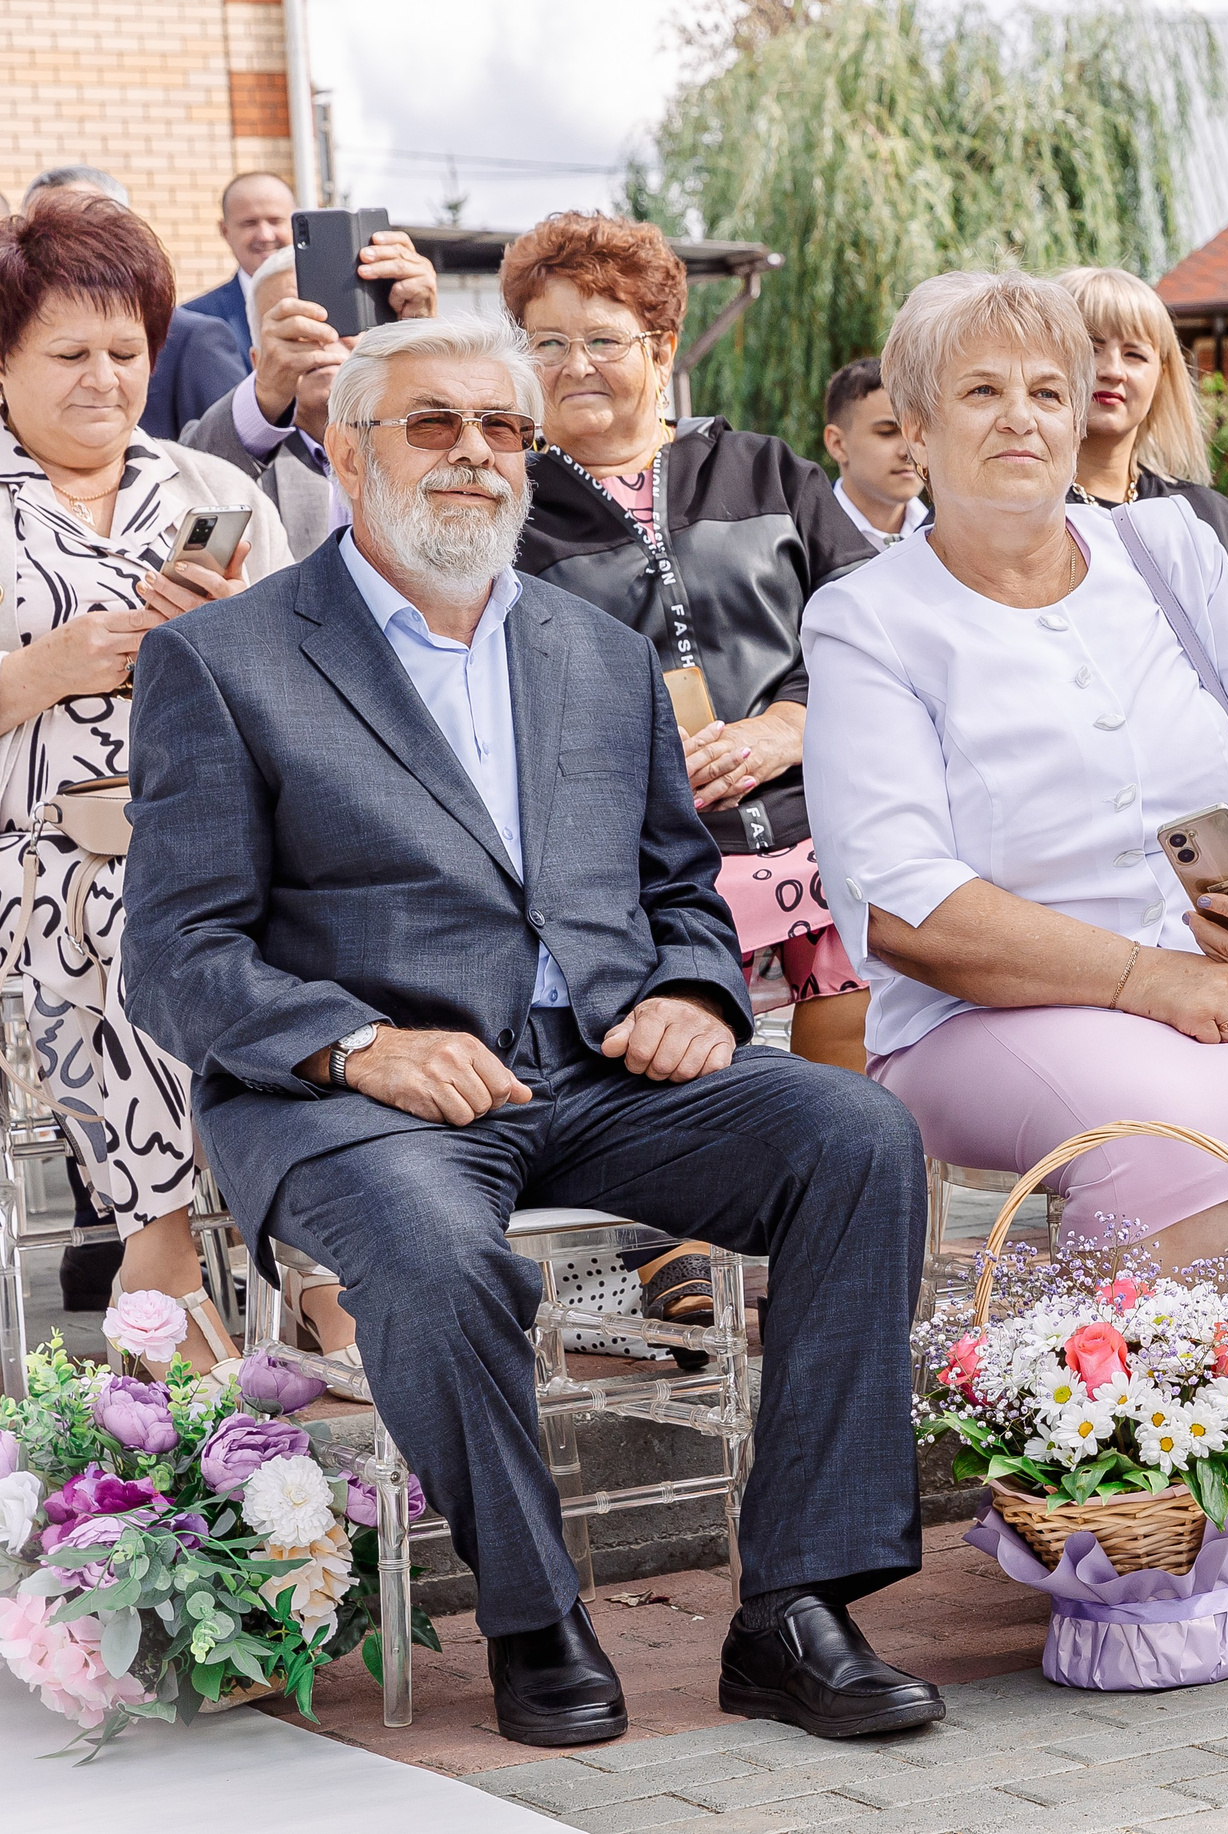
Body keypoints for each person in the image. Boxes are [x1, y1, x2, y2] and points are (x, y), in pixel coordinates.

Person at [123, 314, 944, 1749]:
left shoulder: (591, 647)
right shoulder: (226, 659)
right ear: (346, 447)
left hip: (598, 1068)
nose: (475, 456)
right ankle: (533, 1612)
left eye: (502, 428)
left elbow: (676, 883)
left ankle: (797, 1605)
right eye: (432, 424)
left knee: (858, 1134)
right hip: (357, 1099)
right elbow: (176, 954)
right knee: (441, 1261)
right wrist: (354, 1046)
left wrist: (694, 991)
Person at [802, 270, 1228, 1587]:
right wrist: (1139, 977)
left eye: (1045, 391)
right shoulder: (868, 617)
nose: (1022, 421)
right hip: (993, 1005)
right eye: (980, 393)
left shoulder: (1162, 553)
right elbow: (903, 899)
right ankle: (1150, 1502)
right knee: (1175, 1160)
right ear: (917, 431)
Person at [504, 211, 877, 1335]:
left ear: (663, 346)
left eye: (603, 338)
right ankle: (682, 1242)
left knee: (852, 939)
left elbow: (873, 631)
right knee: (657, 955)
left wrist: (795, 725)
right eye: (547, 341)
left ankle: (834, 1226)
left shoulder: (764, 469)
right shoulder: (509, 507)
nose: (573, 364)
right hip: (631, 842)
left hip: (804, 807)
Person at [0, 191, 289, 1378]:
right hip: (40, 855)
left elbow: (314, 697)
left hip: (217, 843)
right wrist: (45, 670)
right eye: (68, 353)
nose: (104, 380)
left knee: (258, 918)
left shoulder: (214, 497)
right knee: (121, 913)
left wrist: (238, 644)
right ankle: (178, 1247)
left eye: (128, 352)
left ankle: (222, 1263)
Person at [183, 234, 441, 558]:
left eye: (340, 321)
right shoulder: (233, 449)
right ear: (257, 362)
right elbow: (186, 487)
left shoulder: (430, 434)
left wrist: (422, 336)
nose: (322, 338)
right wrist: (264, 397)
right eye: (294, 332)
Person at [1060, 266, 1228, 626]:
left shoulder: (1215, 520)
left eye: (1134, 354)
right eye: (1090, 347)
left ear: (1162, 376)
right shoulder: (1006, 519)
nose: (1112, 370)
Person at [19, 168, 245, 441]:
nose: (62, 246)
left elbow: (224, 455)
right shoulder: (13, 331)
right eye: (40, 232)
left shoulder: (191, 340)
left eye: (123, 355)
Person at [181, 171, 295, 364]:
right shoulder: (192, 321)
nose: (265, 235)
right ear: (225, 231)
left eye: (275, 221)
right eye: (249, 223)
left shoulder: (336, 302)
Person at [820, 358, 929, 553]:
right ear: (837, 444)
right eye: (887, 432)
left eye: (919, 434)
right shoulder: (799, 543)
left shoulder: (956, 540)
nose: (909, 452)